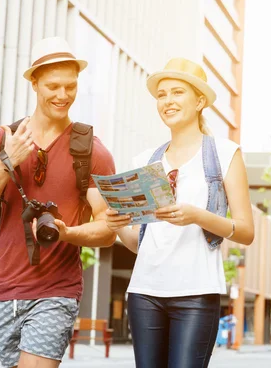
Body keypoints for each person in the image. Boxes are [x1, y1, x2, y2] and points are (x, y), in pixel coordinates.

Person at [0, 37, 116, 368]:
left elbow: (107, 229)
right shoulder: (0, 140)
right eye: (53, 86)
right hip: (4, 290)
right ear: (34, 82)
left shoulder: (91, 151)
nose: (63, 96)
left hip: (57, 290)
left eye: (70, 87)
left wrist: (67, 233)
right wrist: (7, 161)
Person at [106, 58, 255, 368]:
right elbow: (140, 242)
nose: (167, 101)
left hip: (196, 294)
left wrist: (197, 215)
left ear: (200, 101)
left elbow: (245, 231)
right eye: (162, 94)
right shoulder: (146, 159)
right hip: (145, 292)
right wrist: (118, 224)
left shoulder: (225, 154)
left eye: (177, 92)